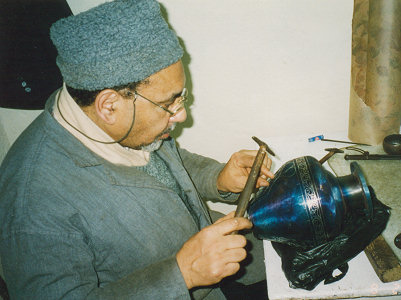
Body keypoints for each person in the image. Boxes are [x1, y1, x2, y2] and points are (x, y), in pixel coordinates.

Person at [0, 0, 274, 299]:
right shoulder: (30, 201)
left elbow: (167, 162)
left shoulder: (109, 116)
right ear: (109, 105)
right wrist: (182, 274)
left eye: (180, 98)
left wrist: (217, 178)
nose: (180, 115)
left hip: (228, 279)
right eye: (168, 103)